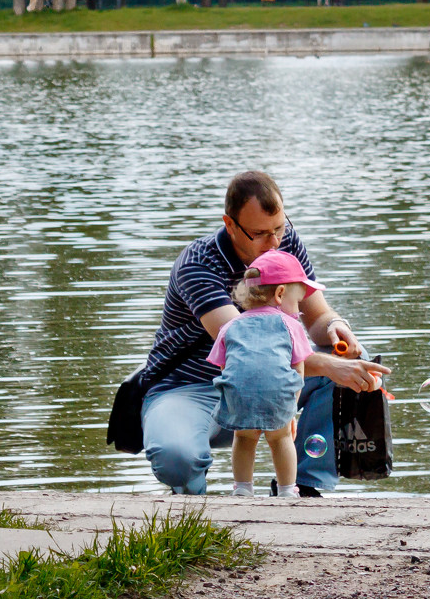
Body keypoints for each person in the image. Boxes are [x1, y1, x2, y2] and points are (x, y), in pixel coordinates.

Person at [138, 170, 388, 496]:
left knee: (357, 360)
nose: (274, 243)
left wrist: (334, 327)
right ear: (230, 225)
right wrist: (329, 366)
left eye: (279, 229)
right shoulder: (197, 265)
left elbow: (317, 314)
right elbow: (248, 347)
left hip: (264, 382)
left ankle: (303, 487)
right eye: (260, 233)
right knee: (178, 459)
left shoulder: (285, 242)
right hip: (190, 389)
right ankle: (193, 505)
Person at [208, 250, 324, 498]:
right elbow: (298, 368)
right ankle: (286, 490)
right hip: (278, 394)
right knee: (281, 438)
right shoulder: (291, 326)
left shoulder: (230, 325)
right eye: (298, 301)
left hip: (238, 393)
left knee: (244, 438)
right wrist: (292, 405)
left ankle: (242, 488)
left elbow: (224, 366)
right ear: (281, 293)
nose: (298, 309)